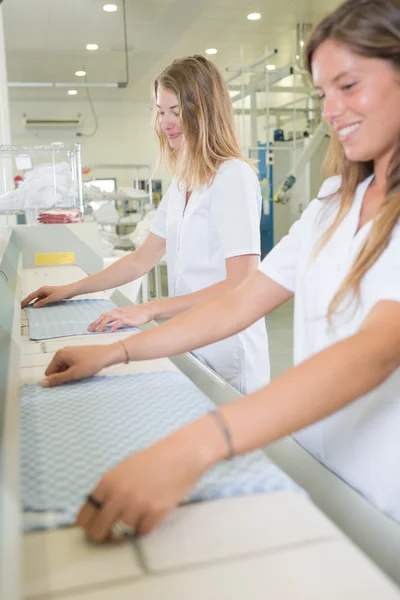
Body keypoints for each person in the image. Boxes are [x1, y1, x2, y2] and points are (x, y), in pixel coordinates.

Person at [41, 0, 400, 540]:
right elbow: (242, 298)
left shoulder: (235, 177)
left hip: (383, 492)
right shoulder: (333, 201)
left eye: (348, 86)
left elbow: (375, 350)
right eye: (323, 93)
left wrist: (196, 444)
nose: (330, 110)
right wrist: (115, 350)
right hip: (314, 467)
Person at [21, 56, 270, 395]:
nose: (165, 122)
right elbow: (143, 258)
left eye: (175, 111)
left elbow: (240, 283)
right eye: (160, 110)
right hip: (191, 336)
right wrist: (71, 289)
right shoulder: (183, 181)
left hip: (228, 348)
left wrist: (149, 309)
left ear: (203, 111)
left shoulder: (232, 177)